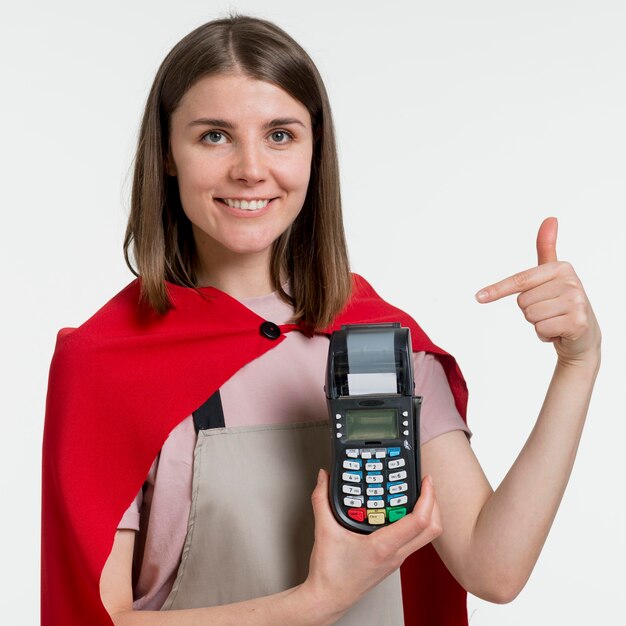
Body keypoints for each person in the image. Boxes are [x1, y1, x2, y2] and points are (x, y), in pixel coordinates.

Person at [41, 13, 601, 626]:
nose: (251, 169)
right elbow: (95, 618)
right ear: (168, 154)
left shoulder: (381, 341)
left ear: (315, 150)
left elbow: (494, 570)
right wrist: (315, 603)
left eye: (280, 134)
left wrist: (577, 365)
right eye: (214, 136)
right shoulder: (107, 361)